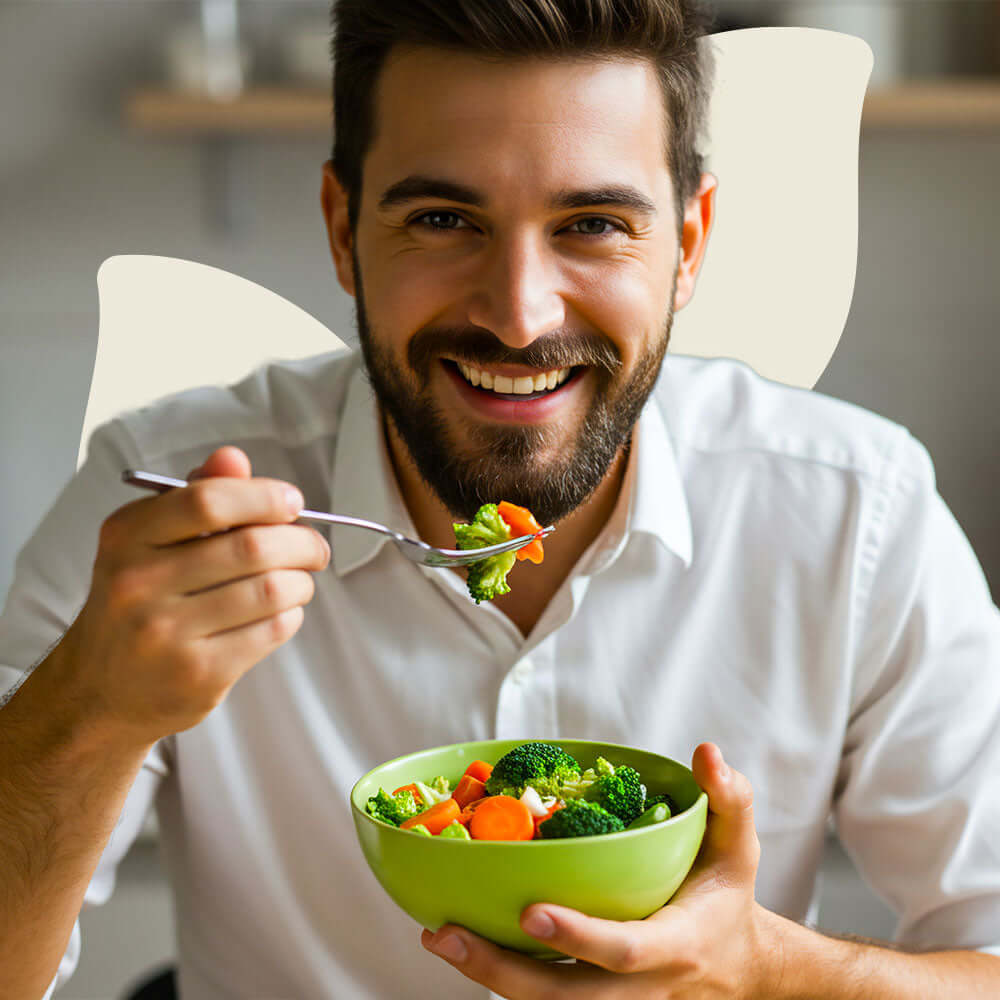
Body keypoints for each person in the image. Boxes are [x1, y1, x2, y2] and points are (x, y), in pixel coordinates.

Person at [2, 0, 999, 997]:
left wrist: (765, 969)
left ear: (689, 244)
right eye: (442, 219)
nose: (519, 316)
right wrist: (86, 711)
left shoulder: (858, 518)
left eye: (593, 224)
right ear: (345, 230)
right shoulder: (156, 506)